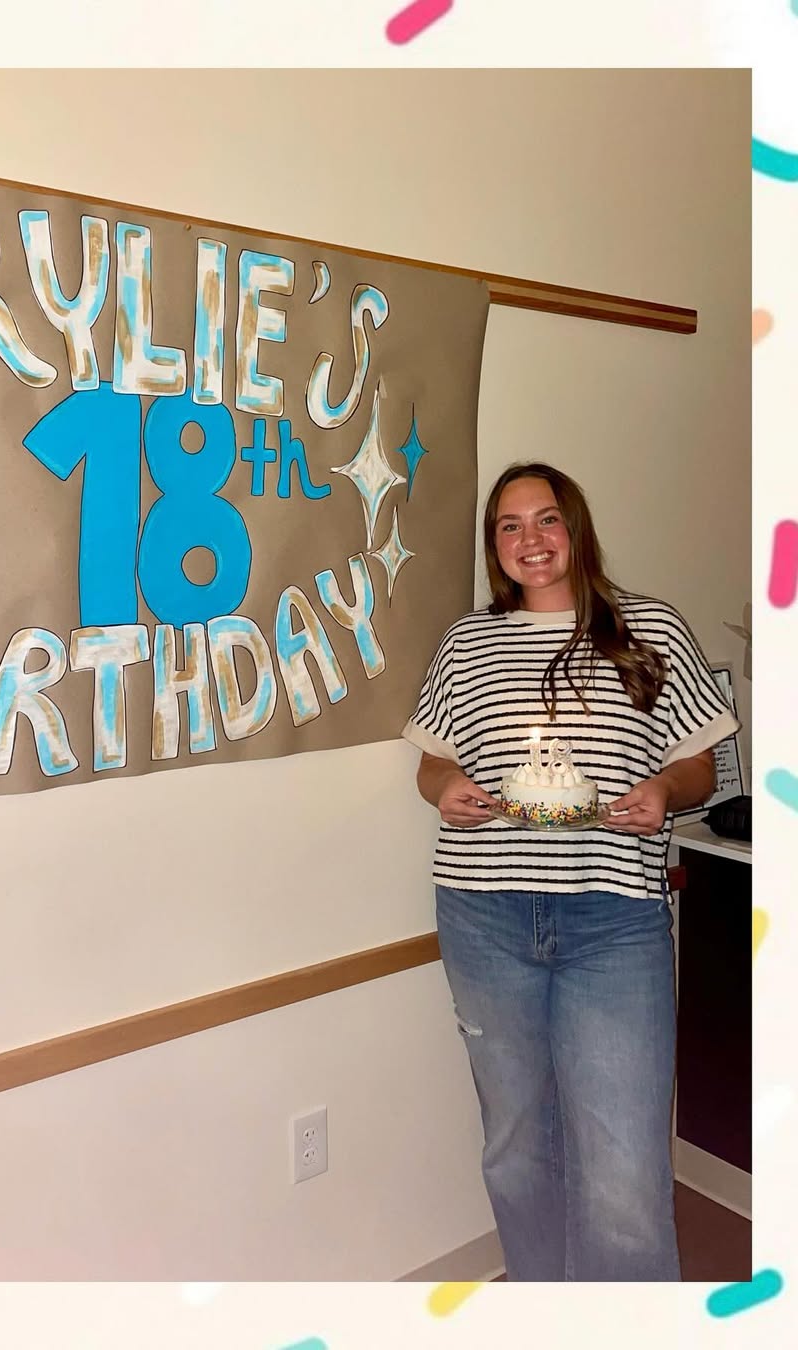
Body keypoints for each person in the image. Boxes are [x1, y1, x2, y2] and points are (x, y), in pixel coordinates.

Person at [402, 462, 740, 1282]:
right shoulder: (467, 642)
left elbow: (700, 766)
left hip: (614, 919)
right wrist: (445, 788)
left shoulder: (650, 627)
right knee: (517, 1145)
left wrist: (665, 791)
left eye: (546, 518)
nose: (530, 539)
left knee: (624, 1169)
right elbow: (432, 764)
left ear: (575, 526)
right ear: (494, 545)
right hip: (484, 915)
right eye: (509, 525)